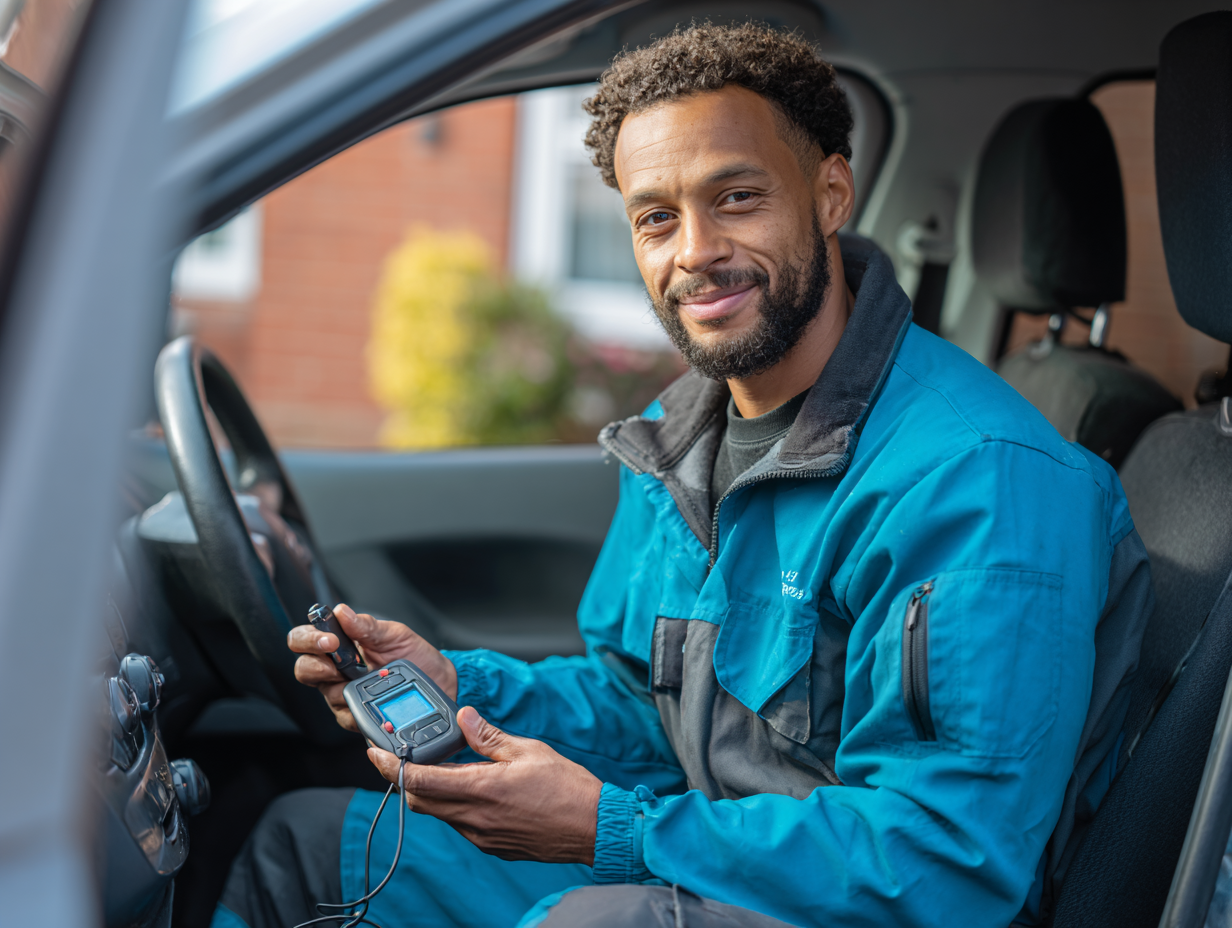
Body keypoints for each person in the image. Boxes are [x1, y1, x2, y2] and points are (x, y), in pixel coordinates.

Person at [211, 23, 1152, 928]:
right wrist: (460, 687)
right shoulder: (677, 430)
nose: (694, 251)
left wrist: (607, 831)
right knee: (309, 847)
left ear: (830, 195)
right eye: (655, 217)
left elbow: (947, 861)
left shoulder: (981, 483)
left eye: (736, 198)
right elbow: (643, 710)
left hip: (846, 905)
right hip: (702, 864)